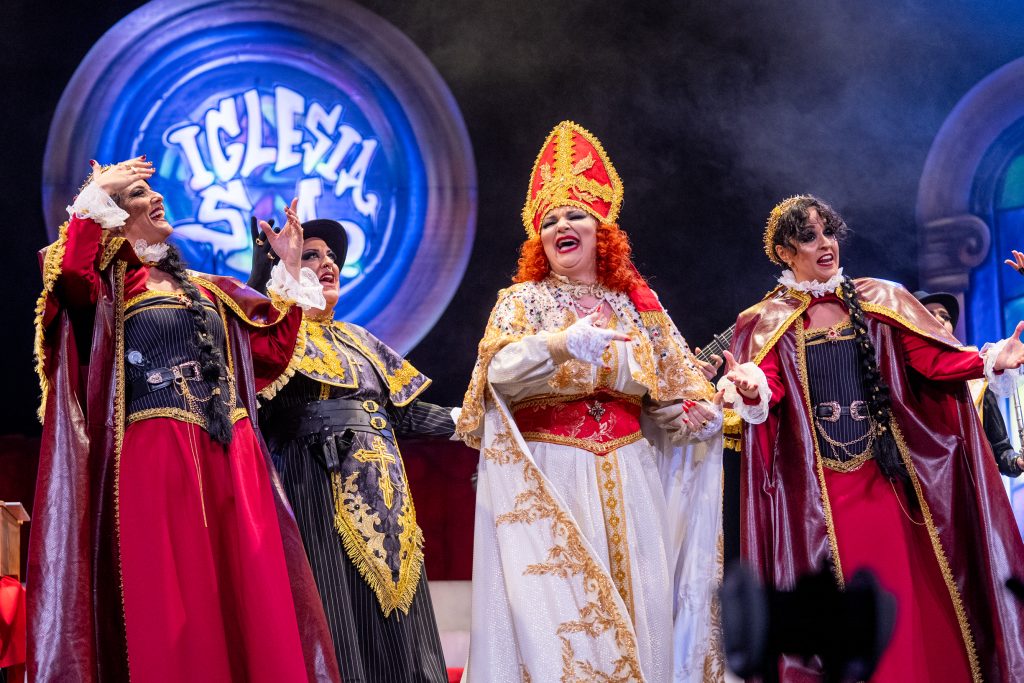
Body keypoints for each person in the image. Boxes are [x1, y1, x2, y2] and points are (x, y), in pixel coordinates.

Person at [29, 157, 341, 682]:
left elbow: (267, 353)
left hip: (231, 454)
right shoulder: (109, 288)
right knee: (172, 596)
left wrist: (289, 270)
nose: (155, 197)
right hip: (156, 453)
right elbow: (71, 280)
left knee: (247, 592)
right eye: (137, 194)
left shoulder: (209, 289)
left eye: (151, 191)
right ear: (111, 215)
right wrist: (96, 193)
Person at [457, 121, 725, 682]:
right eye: (549, 220)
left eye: (574, 215)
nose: (561, 225)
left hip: (630, 474)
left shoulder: (636, 306)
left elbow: (665, 402)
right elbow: (495, 374)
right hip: (552, 470)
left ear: (601, 231)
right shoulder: (522, 301)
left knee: (641, 603)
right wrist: (558, 345)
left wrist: (697, 416)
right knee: (560, 617)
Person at [722, 195, 1024, 681]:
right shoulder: (762, 322)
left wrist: (988, 360)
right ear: (784, 252)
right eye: (809, 237)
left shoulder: (881, 299)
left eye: (829, 232)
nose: (825, 244)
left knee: (904, 593)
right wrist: (751, 388)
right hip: (819, 495)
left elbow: (933, 361)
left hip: (886, 482)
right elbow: (770, 390)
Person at [248, 216, 456, 682]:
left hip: (387, 500)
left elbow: (405, 415)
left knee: (402, 624)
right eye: (311, 255)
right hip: (314, 486)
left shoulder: (360, 339)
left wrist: (480, 421)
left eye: (332, 257)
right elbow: (255, 379)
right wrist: (274, 291)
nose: (329, 264)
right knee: (336, 614)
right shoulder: (272, 339)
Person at [914, 289, 1024, 477]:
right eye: (929, 314)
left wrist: (1017, 462)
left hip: (967, 483)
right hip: (917, 483)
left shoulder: (976, 382)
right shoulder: (898, 375)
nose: (940, 320)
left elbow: (1000, 449)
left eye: (945, 317)